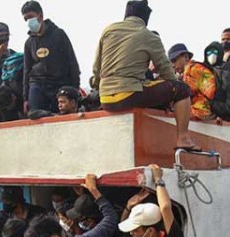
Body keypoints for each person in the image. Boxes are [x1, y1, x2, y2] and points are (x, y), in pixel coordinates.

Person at [91, 1, 196, 150]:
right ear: (146, 17)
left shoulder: (109, 30)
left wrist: (99, 86)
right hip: (128, 96)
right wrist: (171, 96)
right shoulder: (149, 36)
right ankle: (183, 139)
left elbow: (96, 68)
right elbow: (167, 73)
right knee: (182, 89)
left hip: (105, 99)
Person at [21, 1, 80, 115]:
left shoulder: (59, 34)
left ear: (41, 16)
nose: (29, 21)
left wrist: (75, 89)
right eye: (25, 19)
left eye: (31, 17)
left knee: (63, 116)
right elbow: (26, 70)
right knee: (33, 114)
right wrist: (25, 98)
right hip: (38, 84)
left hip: (59, 83)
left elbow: (72, 62)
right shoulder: (29, 43)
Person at [170, 42, 217, 120]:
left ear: (186, 57)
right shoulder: (190, 70)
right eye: (171, 62)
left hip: (202, 113)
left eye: (174, 60)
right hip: (200, 112)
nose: (173, 65)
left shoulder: (192, 69)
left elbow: (212, 92)